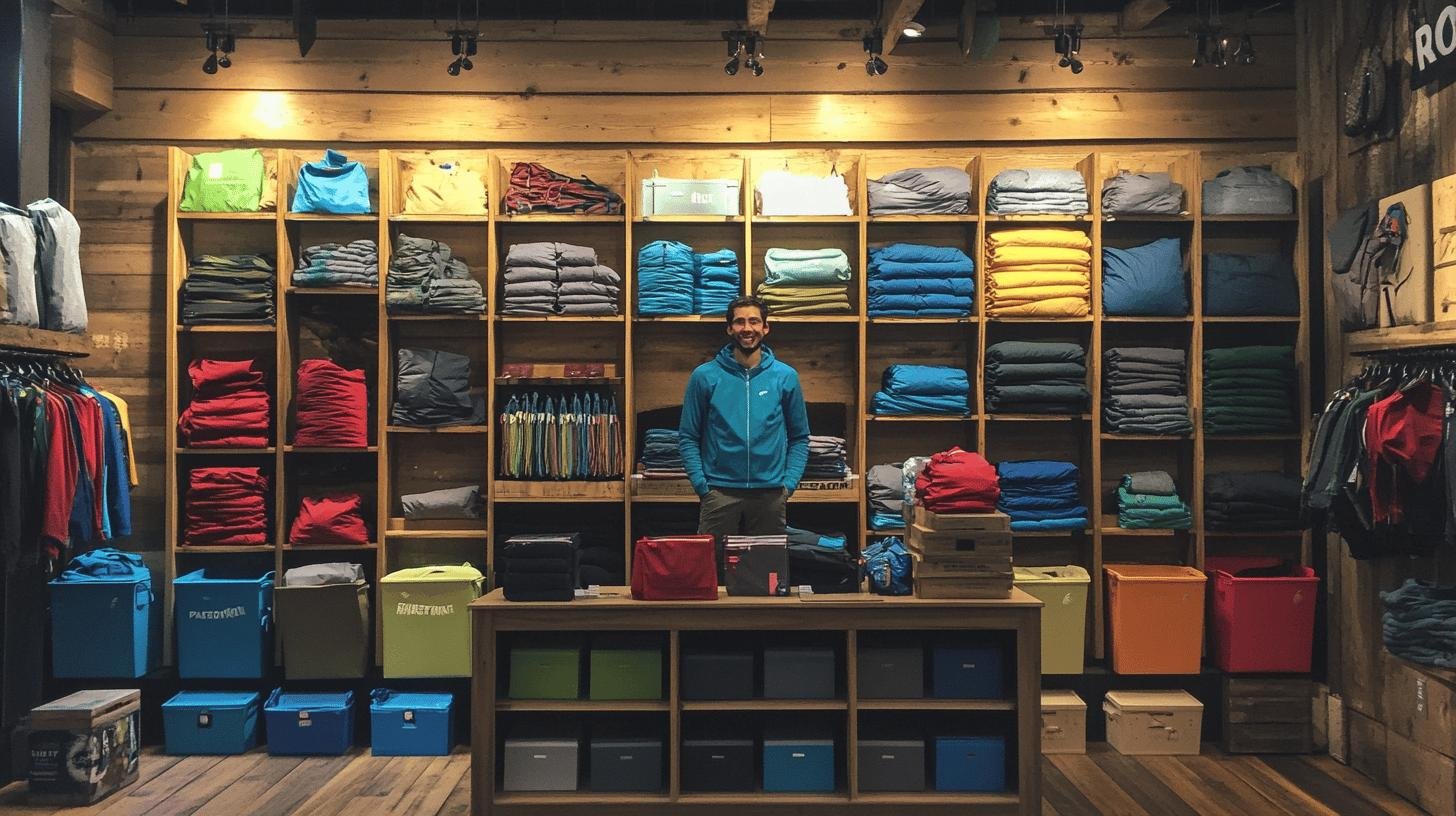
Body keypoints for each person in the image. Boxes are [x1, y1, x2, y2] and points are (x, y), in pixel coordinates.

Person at [678, 295, 810, 538]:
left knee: (765, 572)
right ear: (729, 328)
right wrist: (702, 485)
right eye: (740, 322)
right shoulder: (705, 376)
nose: (747, 328)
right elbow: (687, 436)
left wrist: (788, 485)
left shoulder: (785, 376)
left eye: (754, 321)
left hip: (770, 494)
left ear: (765, 327)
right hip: (719, 493)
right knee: (713, 569)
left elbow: (800, 437)